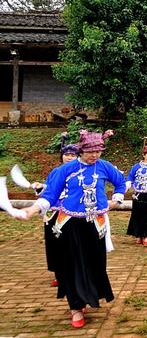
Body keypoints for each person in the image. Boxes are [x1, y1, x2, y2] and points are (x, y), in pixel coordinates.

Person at [19, 130, 126, 328]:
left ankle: (89, 295)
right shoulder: (66, 169)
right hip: (69, 224)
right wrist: (32, 209)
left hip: (96, 224)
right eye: (90, 152)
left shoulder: (104, 166)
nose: (95, 155)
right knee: (72, 264)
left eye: (98, 151)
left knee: (95, 264)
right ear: (81, 150)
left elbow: (120, 183)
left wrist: (116, 200)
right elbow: (50, 195)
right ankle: (75, 307)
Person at [31, 132, 79, 287]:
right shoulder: (55, 172)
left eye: (73, 155)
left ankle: (75, 273)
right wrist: (40, 188)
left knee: (73, 244)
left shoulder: (80, 172)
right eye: (66, 154)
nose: (69, 157)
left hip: (73, 212)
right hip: (54, 212)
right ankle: (59, 274)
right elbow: (49, 190)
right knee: (54, 244)